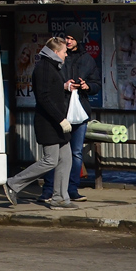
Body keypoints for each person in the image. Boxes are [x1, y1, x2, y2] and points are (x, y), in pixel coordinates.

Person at [3, 37, 75, 209]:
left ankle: (60, 198)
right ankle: (13, 183)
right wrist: (60, 119)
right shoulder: (43, 68)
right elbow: (43, 97)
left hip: (57, 123)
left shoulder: (52, 67)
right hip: (49, 123)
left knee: (66, 158)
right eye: (64, 52)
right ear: (56, 52)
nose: (66, 55)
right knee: (50, 160)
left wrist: (63, 88)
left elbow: (51, 91)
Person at [40, 33, 99, 202]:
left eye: (73, 38)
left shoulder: (87, 59)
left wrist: (88, 86)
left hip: (80, 111)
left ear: (78, 40)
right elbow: (49, 83)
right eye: (67, 37)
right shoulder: (58, 57)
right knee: (55, 153)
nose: (69, 41)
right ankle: (49, 190)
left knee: (76, 153)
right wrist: (64, 86)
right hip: (60, 111)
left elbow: (96, 84)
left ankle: (72, 189)